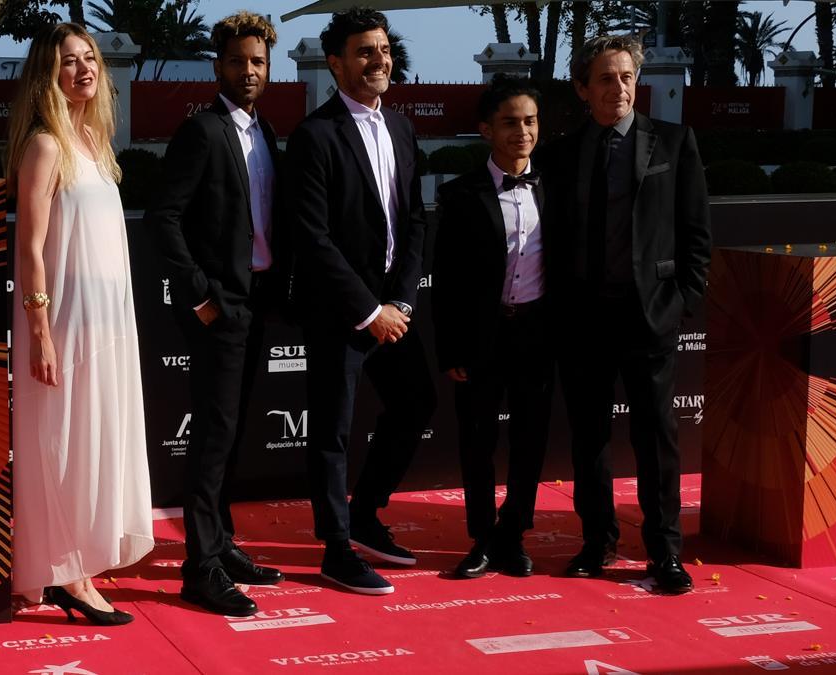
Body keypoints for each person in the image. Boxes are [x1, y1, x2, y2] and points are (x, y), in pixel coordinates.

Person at [543, 35, 710, 593]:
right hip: (584, 319)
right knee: (589, 437)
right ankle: (598, 543)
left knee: (655, 439)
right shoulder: (562, 154)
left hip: (649, 316)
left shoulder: (673, 142)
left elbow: (696, 234)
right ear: (582, 88)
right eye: (607, 78)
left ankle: (664, 551)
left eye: (627, 78)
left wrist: (681, 301)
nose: (619, 88)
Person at [6, 22, 154, 624]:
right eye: (69, 62)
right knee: (62, 448)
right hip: (62, 323)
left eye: (89, 59)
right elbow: (31, 247)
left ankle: (63, 568)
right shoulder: (45, 146)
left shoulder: (95, 144)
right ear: (49, 73)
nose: (84, 69)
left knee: (93, 445)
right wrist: (39, 330)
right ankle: (69, 576)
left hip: (105, 324)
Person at [285, 7, 435, 596]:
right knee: (332, 431)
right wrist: (368, 310)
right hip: (340, 313)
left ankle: (367, 514)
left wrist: (399, 301)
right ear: (336, 63)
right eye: (365, 51)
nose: (379, 60)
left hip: (393, 310)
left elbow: (414, 220)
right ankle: (336, 548)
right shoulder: (315, 134)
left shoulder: (400, 127)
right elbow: (311, 235)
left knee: (417, 403)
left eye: (383, 49)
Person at [144, 11, 286, 618]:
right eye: (237, 61)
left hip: (258, 302)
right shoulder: (201, 131)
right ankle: (198, 568)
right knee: (211, 439)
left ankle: (222, 545)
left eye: (257, 61)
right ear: (217, 66)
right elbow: (162, 217)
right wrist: (200, 296)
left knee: (230, 438)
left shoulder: (267, 131)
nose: (248, 71)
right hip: (218, 308)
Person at [432, 75, 551, 580]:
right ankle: (482, 537)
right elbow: (446, 280)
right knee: (478, 441)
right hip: (481, 337)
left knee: (530, 440)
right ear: (486, 130)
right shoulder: (460, 195)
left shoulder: (556, 187)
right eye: (510, 122)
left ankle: (514, 536)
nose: (522, 131)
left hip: (537, 334)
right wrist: (452, 349)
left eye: (530, 121)